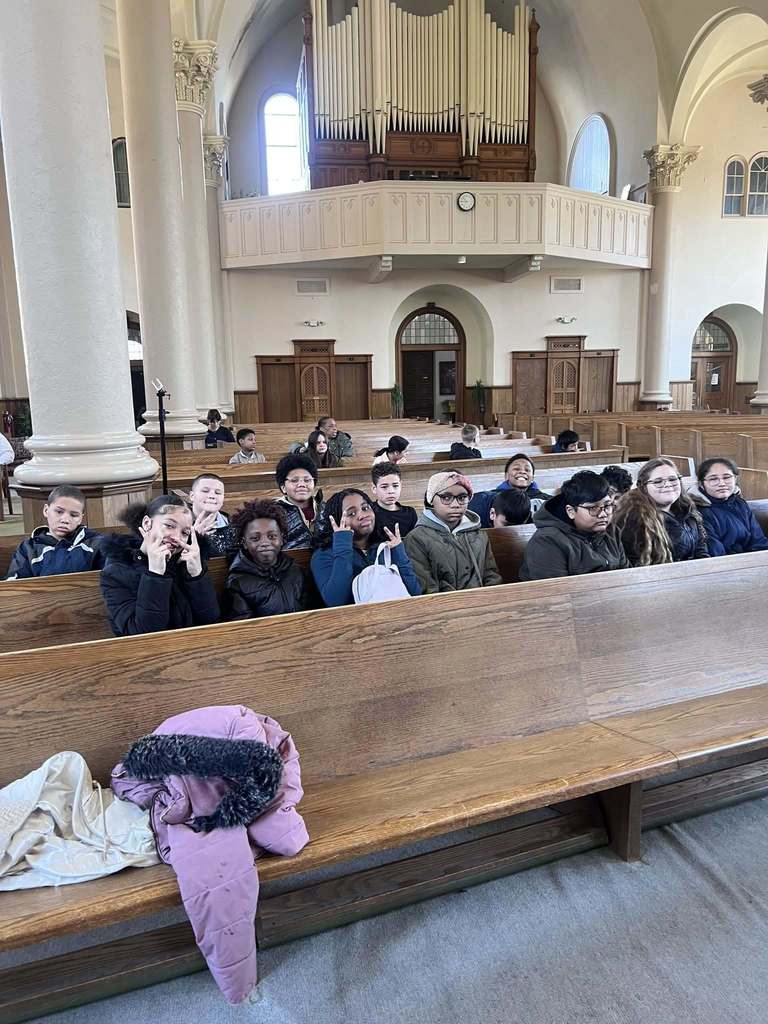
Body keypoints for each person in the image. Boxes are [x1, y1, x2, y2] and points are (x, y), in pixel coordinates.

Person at [100, 494, 220, 636]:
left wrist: (197, 576)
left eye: (185, 532)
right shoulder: (115, 573)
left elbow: (210, 624)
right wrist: (156, 574)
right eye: (169, 525)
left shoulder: (187, 564)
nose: (176, 537)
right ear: (146, 523)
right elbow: (143, 635)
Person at [310, 488, 421, 606]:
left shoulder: (385, 547)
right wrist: (342, 543)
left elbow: (414, 594)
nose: (363, 515)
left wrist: (399, 554)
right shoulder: (323, 554)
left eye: (365, 508)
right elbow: (336, 602)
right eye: (351, 513)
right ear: (336, 521)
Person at [519, 471, 628, 581]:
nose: (603, 514)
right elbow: (556, 593)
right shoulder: (547, 542)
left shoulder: (611, 531)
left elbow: (627, 575)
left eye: (607, 506)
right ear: (571, 511)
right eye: (593, 508)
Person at [404, 471, 502, 593]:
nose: (455, 505)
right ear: (431, 500)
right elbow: (427, 589)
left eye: (462, 498)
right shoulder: (416, 539)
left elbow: (491, 576)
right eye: (446, 497)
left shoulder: (479, 535)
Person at [614, 457, 709, 565]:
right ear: (644, 487)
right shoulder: (634, 519)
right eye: (658, 481)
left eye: (673, 479)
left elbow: (701, 547)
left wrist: (703, 569)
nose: (667, 485)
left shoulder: (687, 508)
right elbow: (642, 563)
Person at [224, 499, 309, 619]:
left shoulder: (297, 571)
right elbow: (244, 629)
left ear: (282, 539)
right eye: (255, 538)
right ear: (244, 543)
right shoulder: (237, 583)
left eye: (272, 536)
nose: (264, 543)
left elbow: (312, 613)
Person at [5, 484, 107, 580]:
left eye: (74, 515)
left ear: (80, 518)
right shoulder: (29, 547)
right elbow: (14, 585)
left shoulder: (96, 543)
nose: (65, 520)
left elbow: (110, 579)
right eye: (59, 512)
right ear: (46, 510)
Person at [689, 457, 768, 557]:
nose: (722, 483)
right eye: (713, 479)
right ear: (701, 484)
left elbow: (759, 541)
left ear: (735, 479)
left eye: (727, 477)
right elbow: (715, 553)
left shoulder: (740, 503)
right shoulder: (698, 511)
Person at [469, 453, 551, 527]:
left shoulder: (545, 500)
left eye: (527, 470)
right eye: (516, 469)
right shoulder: (490, 499)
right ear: (506, 476)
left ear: (532, 478)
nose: (522, 471)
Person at [274, 454, 326, 549]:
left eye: (307, 480)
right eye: (294, 480)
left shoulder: (327, 509)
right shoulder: (273, 513)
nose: (302, 484)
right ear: (283, 487)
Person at [189, 473, 238, 558]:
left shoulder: (234, 526)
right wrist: (194, 537)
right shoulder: (179, 525)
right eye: (205, 491)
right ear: (192, 496)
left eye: (218, 493)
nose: (212, 496)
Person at [370, 462, 418, 543]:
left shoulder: (410, 513)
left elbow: (414, 543)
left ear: (401, 485)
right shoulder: (369, 512)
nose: (391, 491)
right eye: (384, 487)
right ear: (374, 488)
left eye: (395, 486)